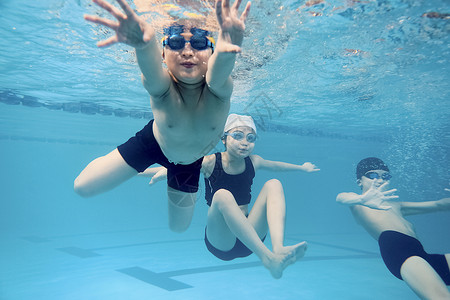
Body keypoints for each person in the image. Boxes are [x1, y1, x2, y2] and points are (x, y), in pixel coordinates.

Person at [74, 0, 251, 233]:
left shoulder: (217, 90)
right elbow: (151, 72)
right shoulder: (163, 87)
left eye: (198, 43)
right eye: (176, 43)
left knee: (178, 228)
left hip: (190, 162)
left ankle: (167, 169)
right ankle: (156, 166)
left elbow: (218, 73)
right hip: (152, 145)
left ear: (212, 51)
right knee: (82, 187)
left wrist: (228, 47)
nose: (187, 51)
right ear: (164, 53)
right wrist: (144, 45)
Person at [141, 114, 319, 278]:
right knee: (222, 195)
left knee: (274, 184)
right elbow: (180, 167)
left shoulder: (254, 161)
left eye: (251, 138)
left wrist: (302, 167)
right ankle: (268, 258)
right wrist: (137, 171)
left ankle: (278, 248)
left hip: (250, 239)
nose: (244, 143)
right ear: (224, 139)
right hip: (221, 242)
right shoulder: (210, 162)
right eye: (238, 135)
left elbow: (277, 166)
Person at [336, 157, 450, 299]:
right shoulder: (359, 204)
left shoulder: (397, 205)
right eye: (372, 175)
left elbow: (439, 205)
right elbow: (341, 198)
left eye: (385, 176)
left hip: (422, 255)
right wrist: (361, 199)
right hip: (400, 253)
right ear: (359, 181)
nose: (379, 179)